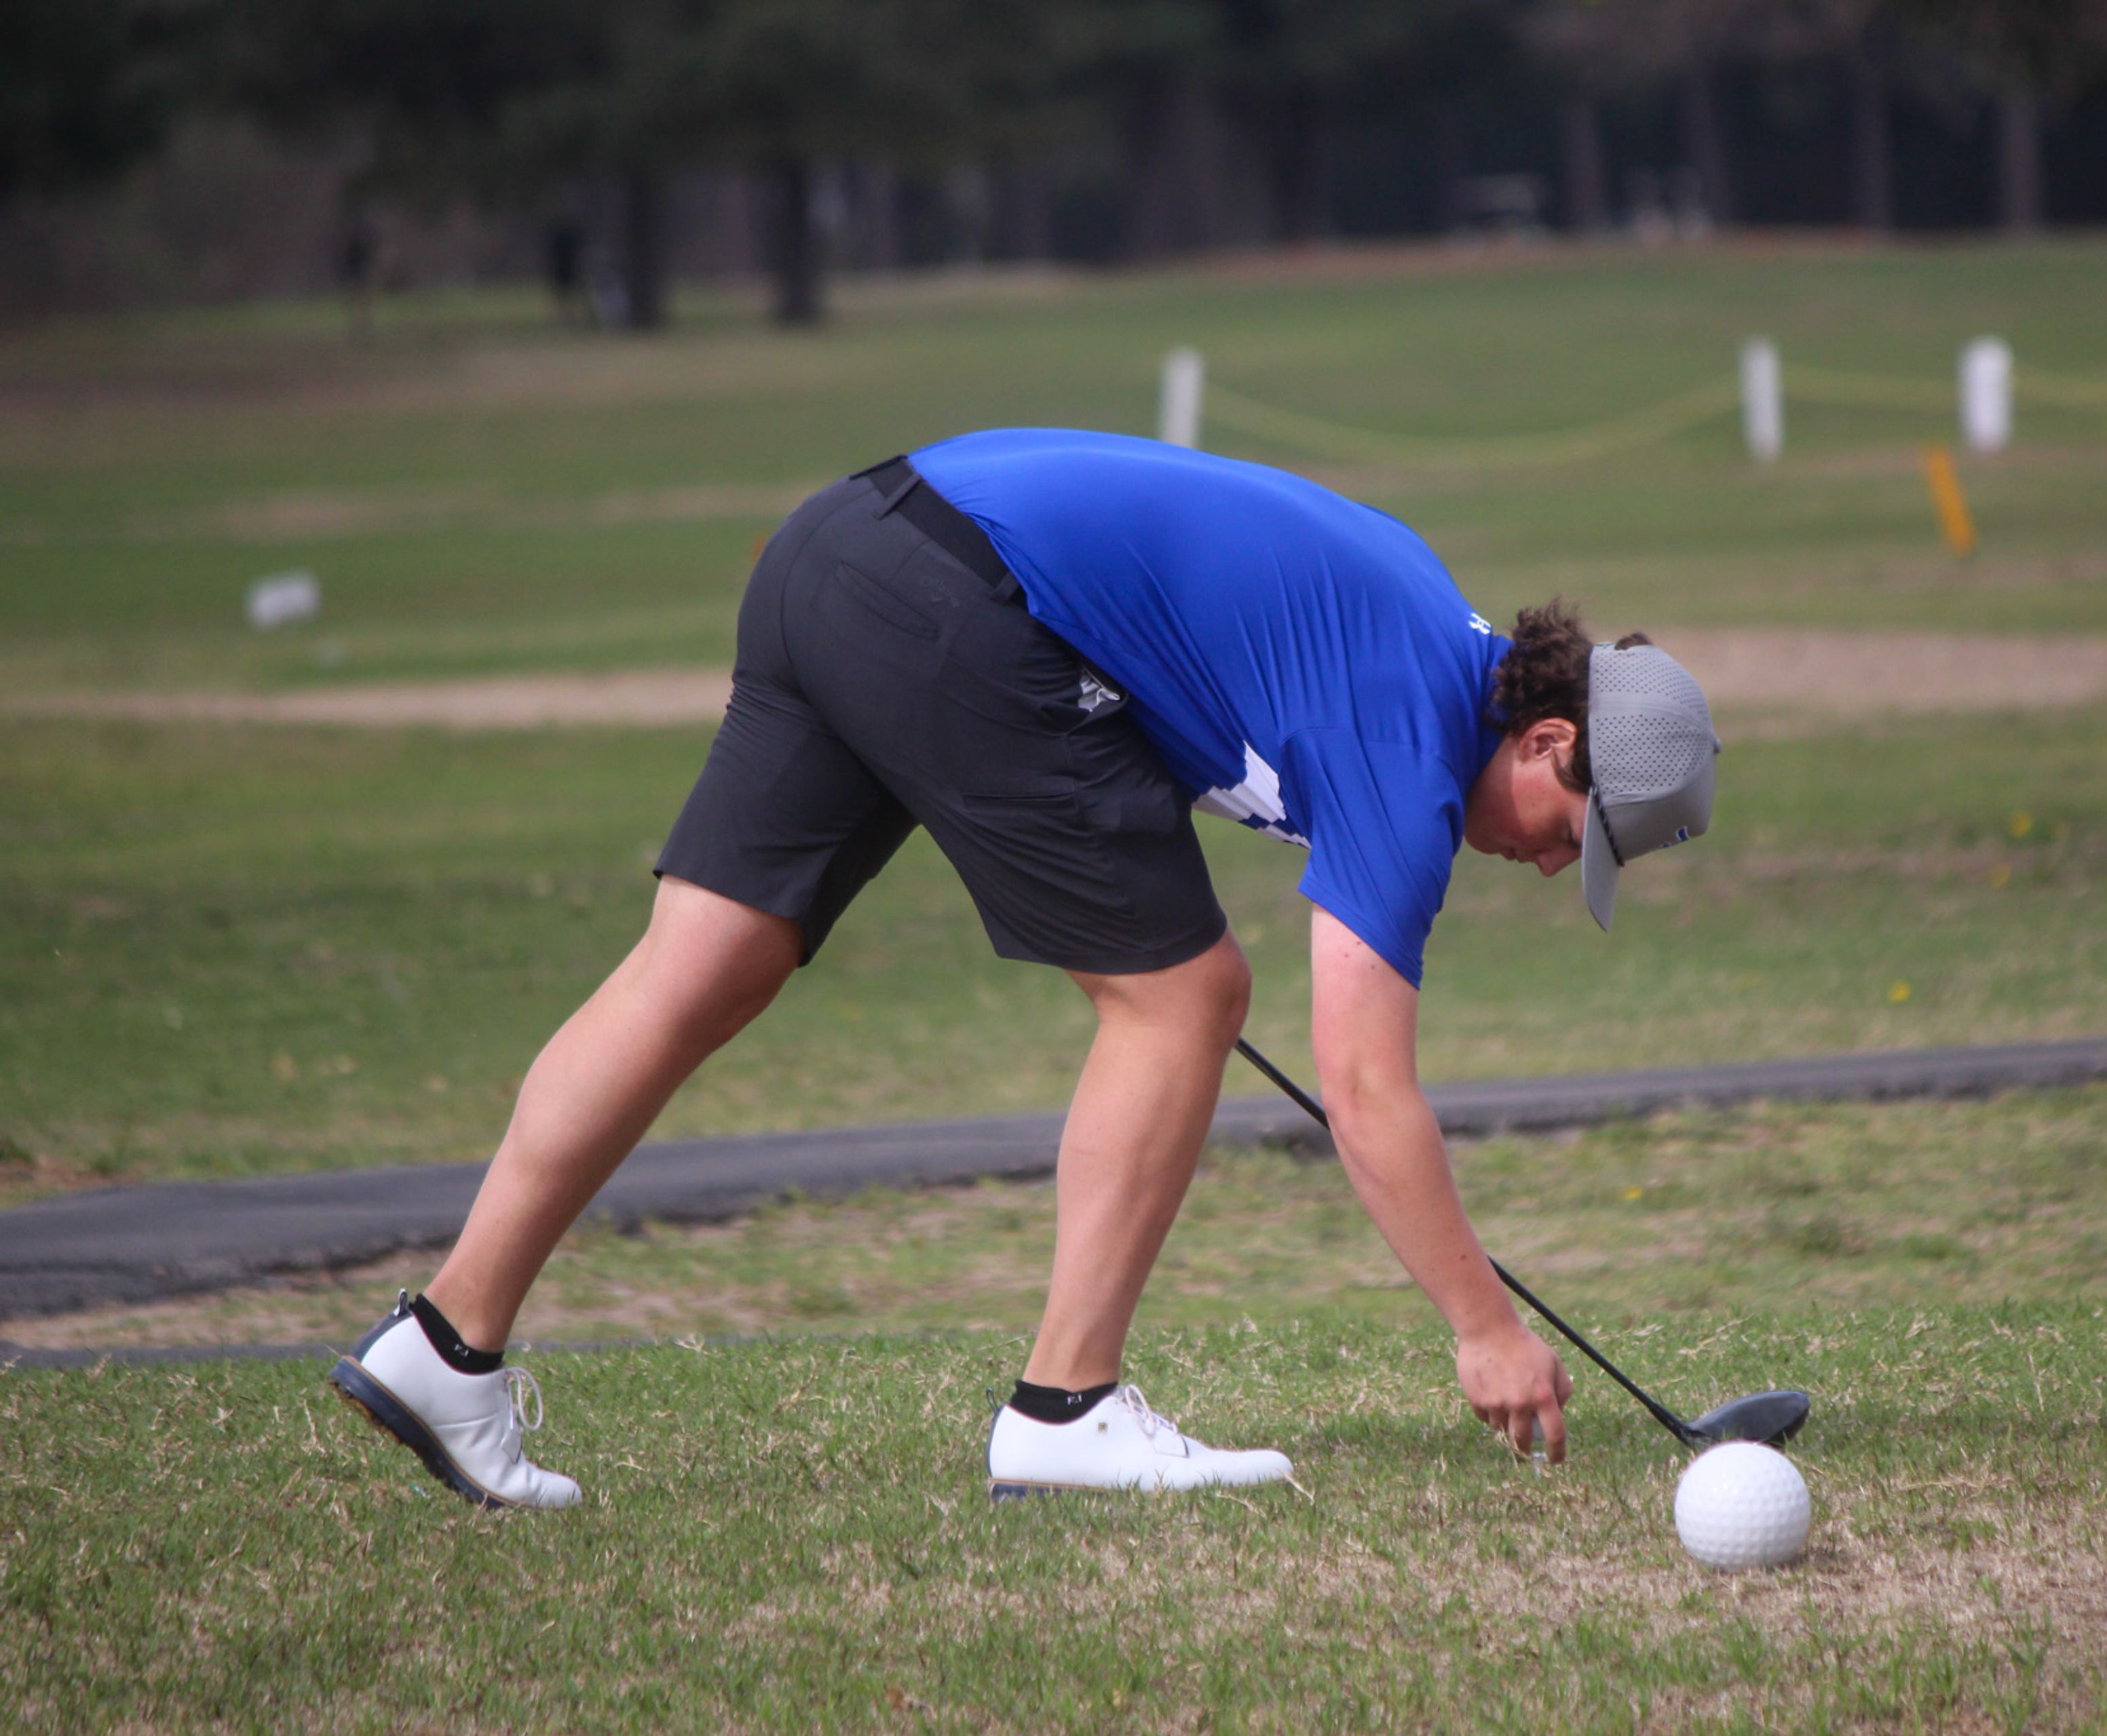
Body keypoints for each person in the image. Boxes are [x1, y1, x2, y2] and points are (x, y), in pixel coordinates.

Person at [330, 429, 1722, 1509]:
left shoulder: (1422, 636)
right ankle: (1066, 1413)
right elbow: (1363, 1085)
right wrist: (1485, 1325)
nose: (1549, 868)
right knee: (1186, 995)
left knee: (704, 964)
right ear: (1546, 741)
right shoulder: (1406, 725)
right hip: (960, 597)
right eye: (1570, 837)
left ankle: (445, 1345)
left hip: (843, 547)